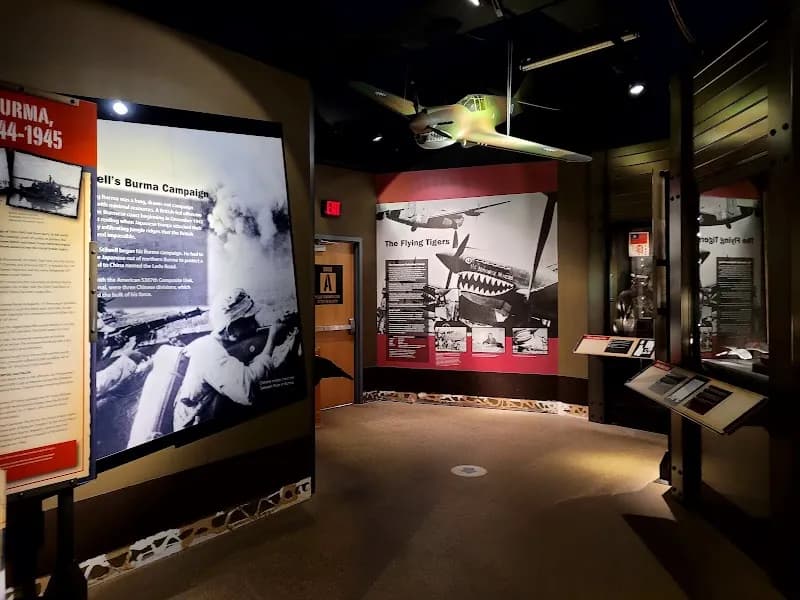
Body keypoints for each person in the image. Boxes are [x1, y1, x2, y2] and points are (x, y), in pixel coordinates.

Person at [172, 288, 296, 430]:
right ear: (230, 330)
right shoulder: (208, 351)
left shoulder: (225, 345)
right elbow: (248, 391)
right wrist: (271, 340)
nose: (255, 325)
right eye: (249, 321)